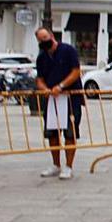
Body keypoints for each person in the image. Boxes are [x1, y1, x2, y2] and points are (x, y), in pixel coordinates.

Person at [34, 27, 82, 180]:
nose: (44, 42)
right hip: (52, 99)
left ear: (52, 36)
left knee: (70, 132)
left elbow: (76, 71)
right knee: (52, 132)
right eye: (40, 40)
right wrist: (45, 89)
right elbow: (39, 79)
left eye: (45, 38)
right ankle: (56, 164)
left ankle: (68, 166)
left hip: (70, 97)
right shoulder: (42, 57)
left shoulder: (68, 51)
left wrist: (60, 86)